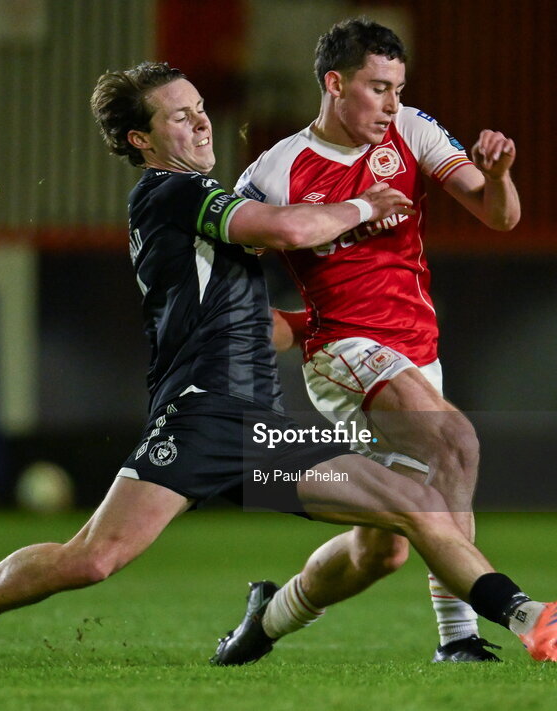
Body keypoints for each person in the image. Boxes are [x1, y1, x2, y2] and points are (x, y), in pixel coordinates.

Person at [0, 62, 557, 673]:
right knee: (92, 557)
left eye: (200, 108)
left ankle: (531, 619)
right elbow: (286, 224)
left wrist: (318, 325)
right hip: (202, 416)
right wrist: (362, 207)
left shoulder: (196, 205)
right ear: (143, 140)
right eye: (178, 116)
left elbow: (256, 326)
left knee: (413, 502)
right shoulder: (172, 194)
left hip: (251, 428)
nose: (200, 122)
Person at [212, 17, 522, 664]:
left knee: (381, 549)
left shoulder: (412, 130)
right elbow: (225, 277)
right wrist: (265, 330)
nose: (392, 104)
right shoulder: (277, 171)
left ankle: (266, 618)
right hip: (344, 356)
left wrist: (497, 176)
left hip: (418, 355)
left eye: (398, 88)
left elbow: (500, 216)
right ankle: (465, 634)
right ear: (334, 82)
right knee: (455, 442)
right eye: (378, 88)